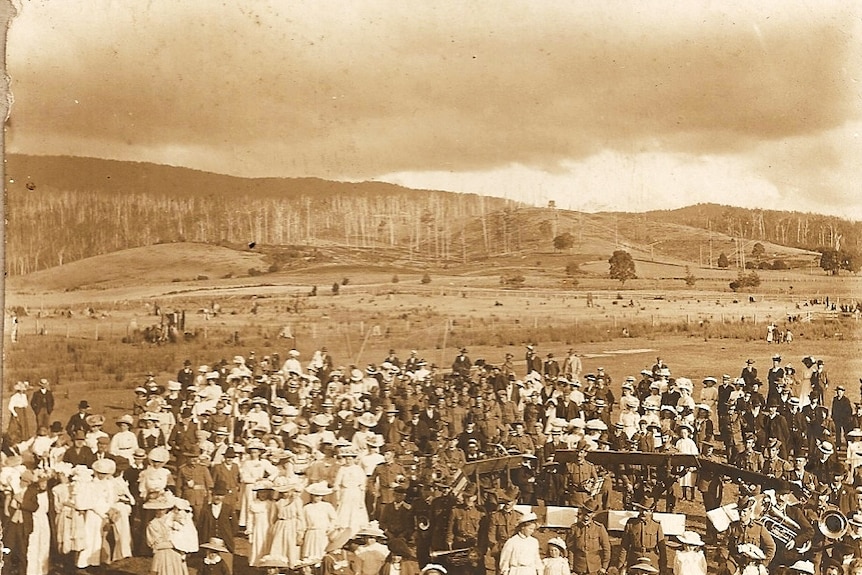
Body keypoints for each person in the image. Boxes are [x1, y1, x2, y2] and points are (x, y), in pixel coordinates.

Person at [566, 498, 610, 575]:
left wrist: (604, 567)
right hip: (579, 568)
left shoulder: (599, 528)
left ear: (593, 514)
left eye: (589, 512)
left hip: (595, 568)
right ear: (582, 511)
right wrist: (571, 567)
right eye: (585, 511)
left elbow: (606, 548)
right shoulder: (575, 528)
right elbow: (570, 549)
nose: (587, 514)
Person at [303, 481, 338, 562]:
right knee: (310, 553)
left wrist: (330, 528)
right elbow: (303, 522)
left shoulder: (327, 506)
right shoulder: (306, 508)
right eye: (316, 495)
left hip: (323, 533)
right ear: (311, 496)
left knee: (322, 552)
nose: (318, 497)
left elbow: (334, 518)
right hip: (311, 533)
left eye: (320, 496)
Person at [498, 511, 542, 575]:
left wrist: (539, 571)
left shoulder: (534, 542)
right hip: (516, 571)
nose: (532, 531)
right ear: (523, 527)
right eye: (530, 529)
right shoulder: (512, 541)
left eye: (533, 529)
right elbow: (505, 560)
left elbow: (536, 558)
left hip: (530, 571)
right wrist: (505, 571)